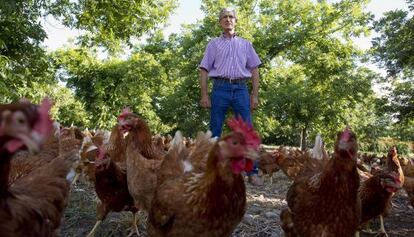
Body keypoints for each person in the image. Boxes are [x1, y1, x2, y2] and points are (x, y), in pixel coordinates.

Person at [199, 7, 263, 186]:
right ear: (220, 22)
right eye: (224, 17)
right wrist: (204, 94)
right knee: (215, 129)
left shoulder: (246, 44)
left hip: (241, 89)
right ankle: (210, 169)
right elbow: (204, 69)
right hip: (220, 88)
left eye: (231, 17)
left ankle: (252, 171)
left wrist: (255, 94)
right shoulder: (213, 45)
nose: (228, 20)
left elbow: (254, 69)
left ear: (236, 21)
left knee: (247, 130)